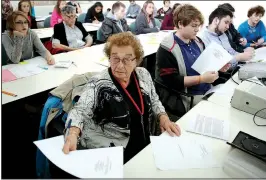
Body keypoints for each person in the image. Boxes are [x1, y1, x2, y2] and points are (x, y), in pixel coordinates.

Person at [62, 32, 181, 164]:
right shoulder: (98, 83)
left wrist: (163, 118)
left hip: (146, 142)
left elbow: (154, 100)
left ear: (136, 60)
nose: (120, 65)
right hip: (114, 152)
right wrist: (73, 133)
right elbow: (80, 110)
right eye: (115, 58)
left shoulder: (143, 74)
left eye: (127, 59)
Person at [155, 4, 231, 115]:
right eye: (194, 26)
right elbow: (172, 81)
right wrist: (201, 79)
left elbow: (205, 65)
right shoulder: (167, 48)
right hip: (186, 97)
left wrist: (218, 67)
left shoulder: (198, 42)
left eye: (199, 26)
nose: (197, 29)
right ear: (180, 24)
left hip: (207, 89)